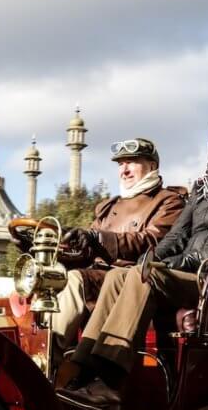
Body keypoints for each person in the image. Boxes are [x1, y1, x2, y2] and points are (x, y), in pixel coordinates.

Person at [58, 113, 208, 410]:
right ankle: (81, 370)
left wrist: (193, 259)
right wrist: (149, 259)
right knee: (125, 275)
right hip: (195, 277)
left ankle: (112, 382)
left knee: (146, 277)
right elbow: (176, 237)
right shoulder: (205, 188)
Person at [47, 138, 186, 357]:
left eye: (132, 162)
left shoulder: (169, 201)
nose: (124, 169)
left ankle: (48, 354)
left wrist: (98, 239)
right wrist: (53, 247)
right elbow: (86, 248)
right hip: (97, 276)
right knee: (44, 278)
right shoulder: (108, 206)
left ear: (152, 166)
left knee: (74, 280)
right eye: (121, 164)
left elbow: (152, 241)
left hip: (130, 279)